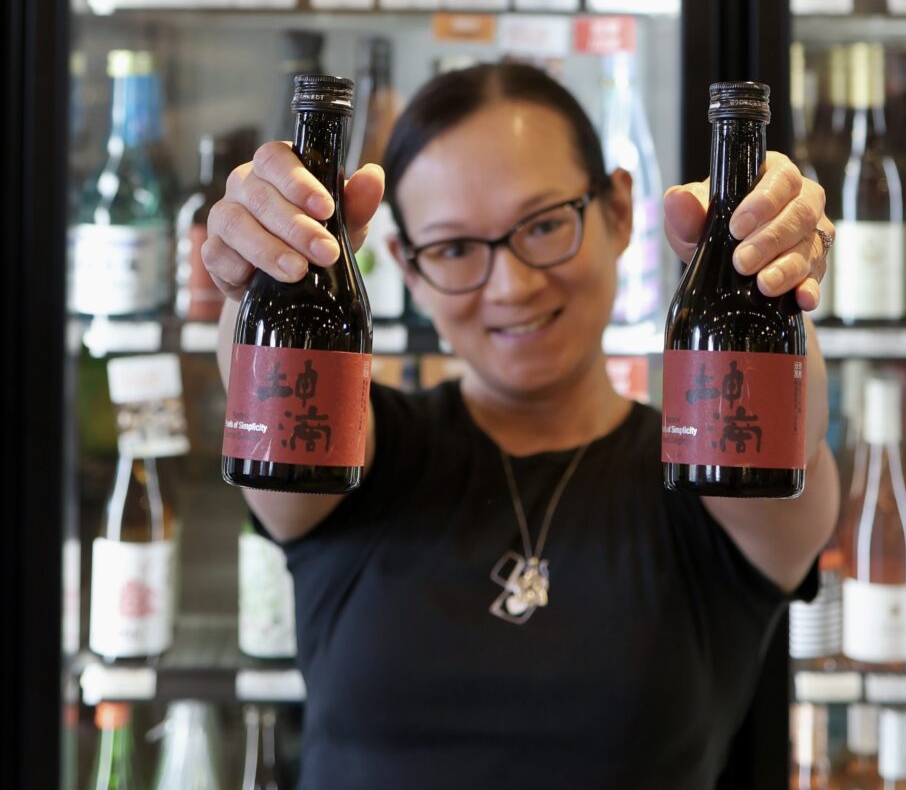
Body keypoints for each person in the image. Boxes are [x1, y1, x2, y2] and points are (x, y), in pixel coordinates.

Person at [205, 63, 839, 789]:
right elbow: (266, 390)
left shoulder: (709, 478)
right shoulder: (355, 461)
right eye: (454, 249)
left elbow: (793, 424)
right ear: (408, 272)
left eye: (543, 225)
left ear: (619, 211)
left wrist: (768, 268)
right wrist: (259, 263)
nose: (512, 285)